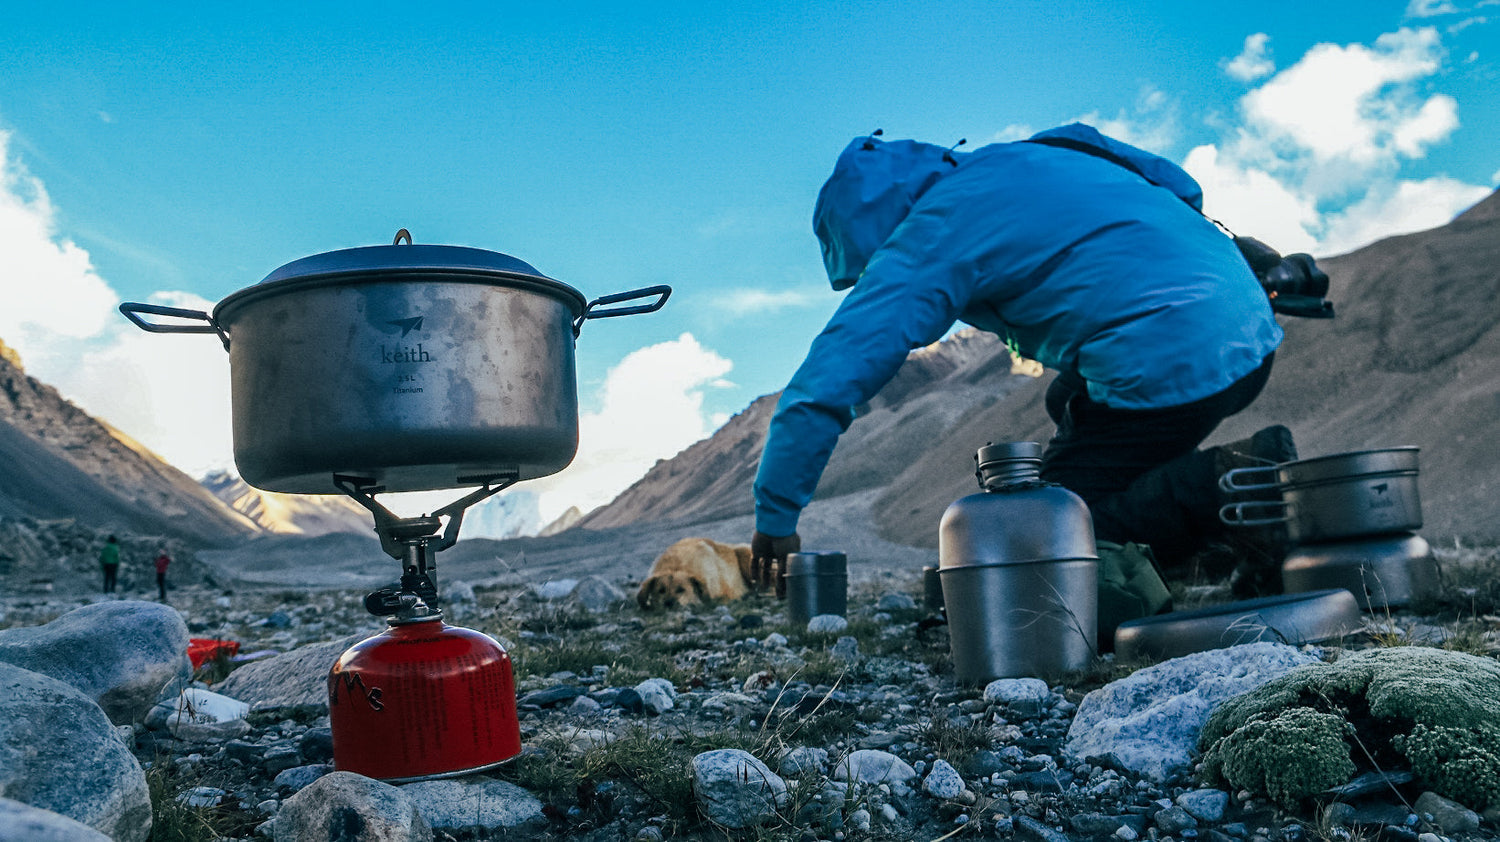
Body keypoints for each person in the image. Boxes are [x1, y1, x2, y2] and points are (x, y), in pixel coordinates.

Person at [750, 124, 1298, 589]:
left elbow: (829, 378)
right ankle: (1196, 552)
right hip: (1249, 318)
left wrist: (776, 517)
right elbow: (1182, 187)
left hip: (1175, 355)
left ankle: (1230, 482)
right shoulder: (1052, 146)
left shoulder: (931, 233)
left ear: (877, 234)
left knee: (1041, 533)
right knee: (1069, 399)